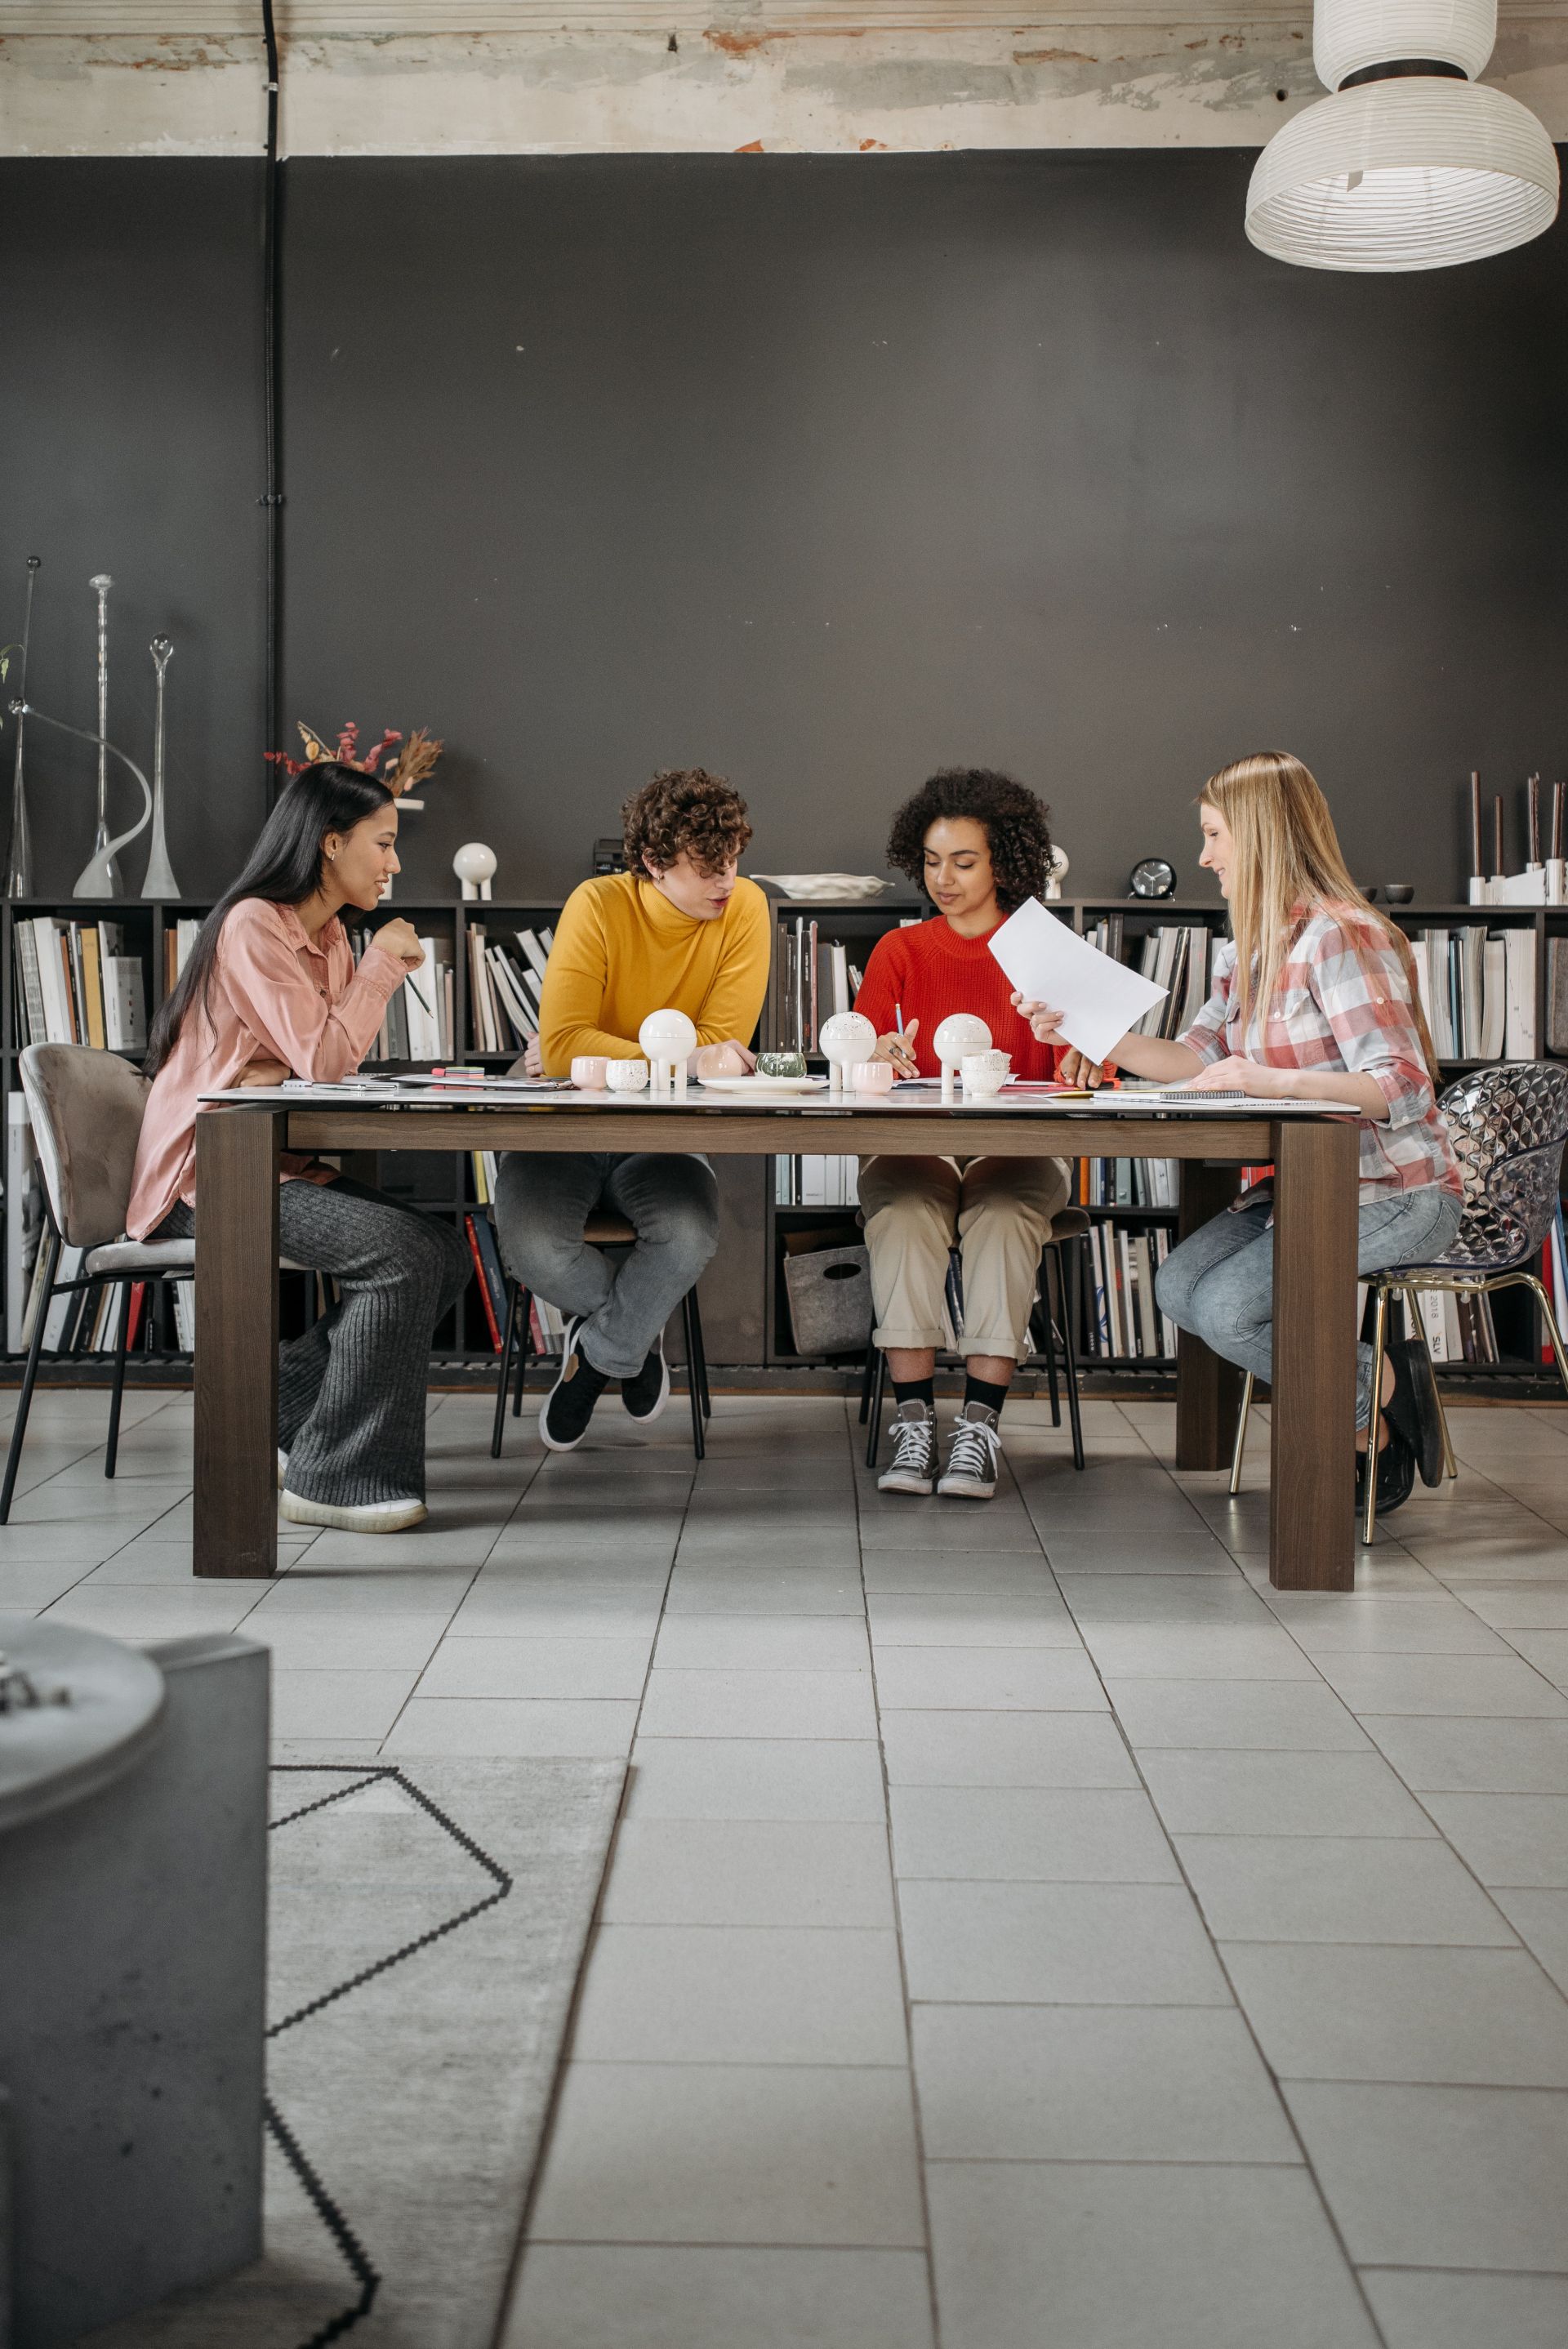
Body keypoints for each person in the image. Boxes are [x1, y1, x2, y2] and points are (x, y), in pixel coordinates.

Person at [1017, 750, 1463, 1511]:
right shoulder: (1246, 948)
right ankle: (1382, 1375)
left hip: (1398, 1191)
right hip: (1310, 1187)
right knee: (1179, 1287)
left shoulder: (1343, 936)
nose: (1204, 855)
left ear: (1259, 835)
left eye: (1215, 834)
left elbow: (1405, 1087)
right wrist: (1088, 1031)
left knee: (1228, 1309)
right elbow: (1193, 1059)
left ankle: (1365, 1422)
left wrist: (1275, 1080)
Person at [127, 762, 472, 1534]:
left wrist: (285, 1058)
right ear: (330, 843)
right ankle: (335, 1478)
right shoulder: (255, 924)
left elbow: (313, 1063)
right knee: (403, 1257)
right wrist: (382, 966)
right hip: (208, 1178)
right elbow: (326, 1058)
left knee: (443, 1254)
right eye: (383, 844)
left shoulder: (331, 939)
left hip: (273, 1160)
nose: (395, 863)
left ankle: (277, 1406)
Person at [494, 768, 769, 1451]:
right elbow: (561, 1051)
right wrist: (682, 1058)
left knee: (687, 1231)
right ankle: (635, 1339)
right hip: (566, 1124)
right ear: (652, 863)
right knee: (532, 1246)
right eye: (706, 867)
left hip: (663, 1130)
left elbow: (722, 1051)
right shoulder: (598, 903)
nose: (726, 882)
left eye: (732, 861)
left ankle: (601, 1352)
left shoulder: (746, 909)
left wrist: (603, 1056)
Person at [855, 767, 1076, 1502]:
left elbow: (1088, 1071)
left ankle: (979, 1426)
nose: (942, 879)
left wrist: (1082, 1055)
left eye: (963, 861)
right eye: (930, 861)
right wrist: (876, 1059)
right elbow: (858, 1068)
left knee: (1005, 1214)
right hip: (916, 1148)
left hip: (1020, 1151)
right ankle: (914, 1422)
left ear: (1003, 863)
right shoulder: (900, 953)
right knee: (909, 1212)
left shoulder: (1046, 950)